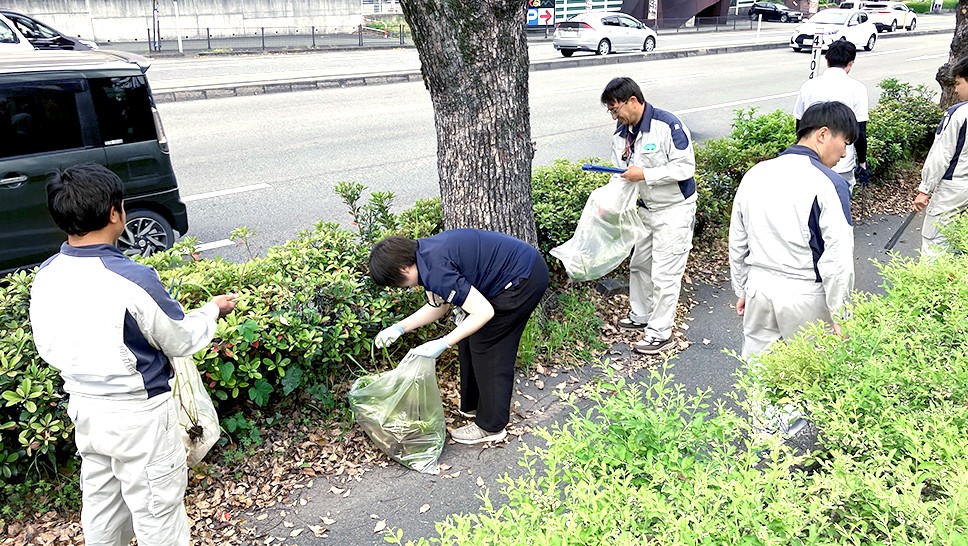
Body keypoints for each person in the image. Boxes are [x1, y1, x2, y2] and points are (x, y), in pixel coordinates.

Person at [29, 164, 238, 546]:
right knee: (158, 514)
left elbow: (47, 345)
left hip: (85, 410)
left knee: (103, 508)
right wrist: (212, 310)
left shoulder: (46, 274)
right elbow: (180, 339)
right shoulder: (132, 278)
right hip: (139, 416)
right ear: (115, 213)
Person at [729, 101, 857, 439]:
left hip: (759, 285)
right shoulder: (829, 183)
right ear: (823, 134)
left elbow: (737, 240)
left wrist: (741, 288)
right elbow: (838, 258)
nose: (844, 153)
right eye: (844, 141)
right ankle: (799, 440)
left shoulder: (756, 173)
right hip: (804, 292)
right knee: (810, 365)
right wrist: (841, 313)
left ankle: (764, 433)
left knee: (759, 362)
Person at [369, 229, 548, 445]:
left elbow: (484, 312)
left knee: (487, 345)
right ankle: (474, 407)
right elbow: (438, 307)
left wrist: (443, 343)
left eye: (396, 282)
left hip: (523, 278)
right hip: (515, 272)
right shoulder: (423, 255)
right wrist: (399, 328)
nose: (400, 287)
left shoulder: (435, 269)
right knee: (467, 335)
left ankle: (491, 427)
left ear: (403, 268)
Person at [600, 76, 697, 355]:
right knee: (640, 265)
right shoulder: (621, 133)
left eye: (615, 109)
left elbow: (684, 168)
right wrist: (608, 202)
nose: (614, 116)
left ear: (633, 101)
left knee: (665, 274)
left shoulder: (667, 125)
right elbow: (621, 174)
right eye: (610, 111)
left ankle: (659, 332)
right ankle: (640, 316)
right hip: (645, 209)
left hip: (674, 209)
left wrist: (646, 174)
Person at [793, 40, 869, 193]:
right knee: (840, 207)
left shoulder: (808, 86)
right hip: (842, 164)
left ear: (827, 60)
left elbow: (799, 126)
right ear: (850, 63)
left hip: (811, 162)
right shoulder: (858, 89)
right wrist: (862, 162)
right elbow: (860, 132)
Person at [913, 56, 968, 258]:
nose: (955, 90)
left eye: (958, 83)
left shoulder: (959, 114)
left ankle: (931, 286)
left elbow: (941, 154)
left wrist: (924, 189)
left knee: (935, 242)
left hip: (953, 188)